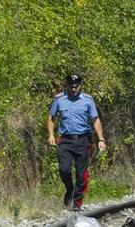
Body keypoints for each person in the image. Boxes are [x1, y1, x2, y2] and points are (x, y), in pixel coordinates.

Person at [47, 74, 107, 211]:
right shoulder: (59, 99)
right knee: (64, 169)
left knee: (81, 174)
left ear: (80, 85)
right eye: (71, 86)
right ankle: (69, 189)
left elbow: (96, 120)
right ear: (66, 85)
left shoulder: (88, 100)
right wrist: (51, 134)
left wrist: (101, 139)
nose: (74, 89)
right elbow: (51, 117)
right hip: (65, 140)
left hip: (82, 140)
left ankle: (77, 203)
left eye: (76, 86)